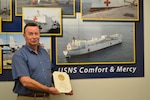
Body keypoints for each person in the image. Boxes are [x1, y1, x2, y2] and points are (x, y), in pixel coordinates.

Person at [12, 22, 73, 100]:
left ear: (39, 35)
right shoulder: (19, 55)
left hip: (46, 97)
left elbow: (50, 75)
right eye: (30, 34)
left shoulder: (44, 53)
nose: (34, 37)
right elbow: (26, 82)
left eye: (36, 33)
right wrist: (48, 89)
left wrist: (65, 88)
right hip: (28, 97)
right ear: (24, 36)